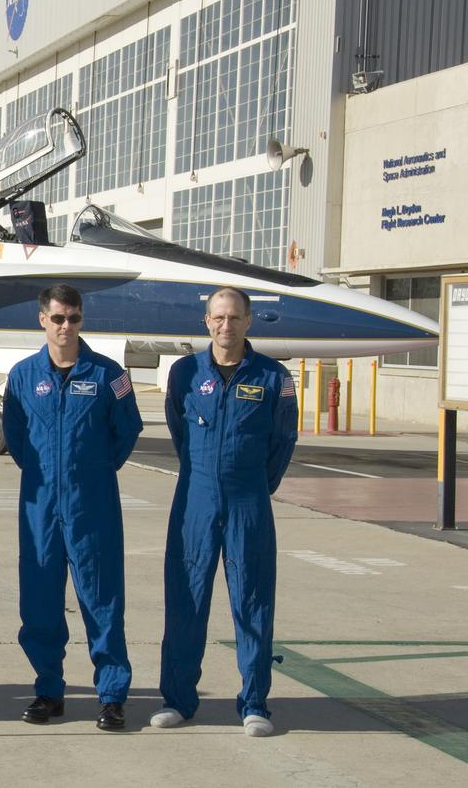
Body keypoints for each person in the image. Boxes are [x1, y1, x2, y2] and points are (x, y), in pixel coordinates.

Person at [151, 286, 298, 738]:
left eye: (235, 317)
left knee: (252, 599)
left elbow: (283, 441)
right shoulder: (185, 372)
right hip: (195, 498)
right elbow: (178, 429)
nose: (226, 325)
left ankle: (254, 702)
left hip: (248, 500)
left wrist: (252, 485)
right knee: (186, 599)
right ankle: (178, 699)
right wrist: (206, 477)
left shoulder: (274, 377)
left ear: (249, 321)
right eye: (218, 318)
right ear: (206, 322)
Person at [2, 283, 142, 730]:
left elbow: (128, 430)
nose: (66, 326)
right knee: (40, 600)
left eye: (74, 318)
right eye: (58, 318)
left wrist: (93, 471)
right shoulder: (23, 376)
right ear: (42, 319)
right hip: (40, 506)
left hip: (92, 504)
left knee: (102, 600)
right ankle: (48, 690)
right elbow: (18, 439)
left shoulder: (110, 374)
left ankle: (113, 695)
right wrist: (50, 477)